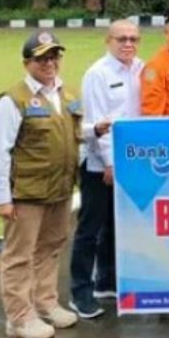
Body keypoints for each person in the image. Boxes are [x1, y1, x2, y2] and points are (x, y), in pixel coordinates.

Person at [0, 31, 83, 338]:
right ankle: (19, 317)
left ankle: (45, 304)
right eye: (42, 58)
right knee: (19, 255)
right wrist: (3, 198)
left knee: (52, 247)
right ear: (27, 62)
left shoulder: (66, 94)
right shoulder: (12, 100)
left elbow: (76, 134)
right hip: (27, 194)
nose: (50, 63)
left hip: (60, 189)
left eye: (54, 56)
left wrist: (100, 129)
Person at [68, 20, 143, 319]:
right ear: (108, 41)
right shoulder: (97, 74)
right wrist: (110, 163)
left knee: (116, 224)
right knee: (90, 227)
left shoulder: (141, 69)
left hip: (133, 159)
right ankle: (80, 292)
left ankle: (107, 282)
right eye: (122, 39)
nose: (128, 44)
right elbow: (100, 124)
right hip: (100, 162)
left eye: (134, 39)